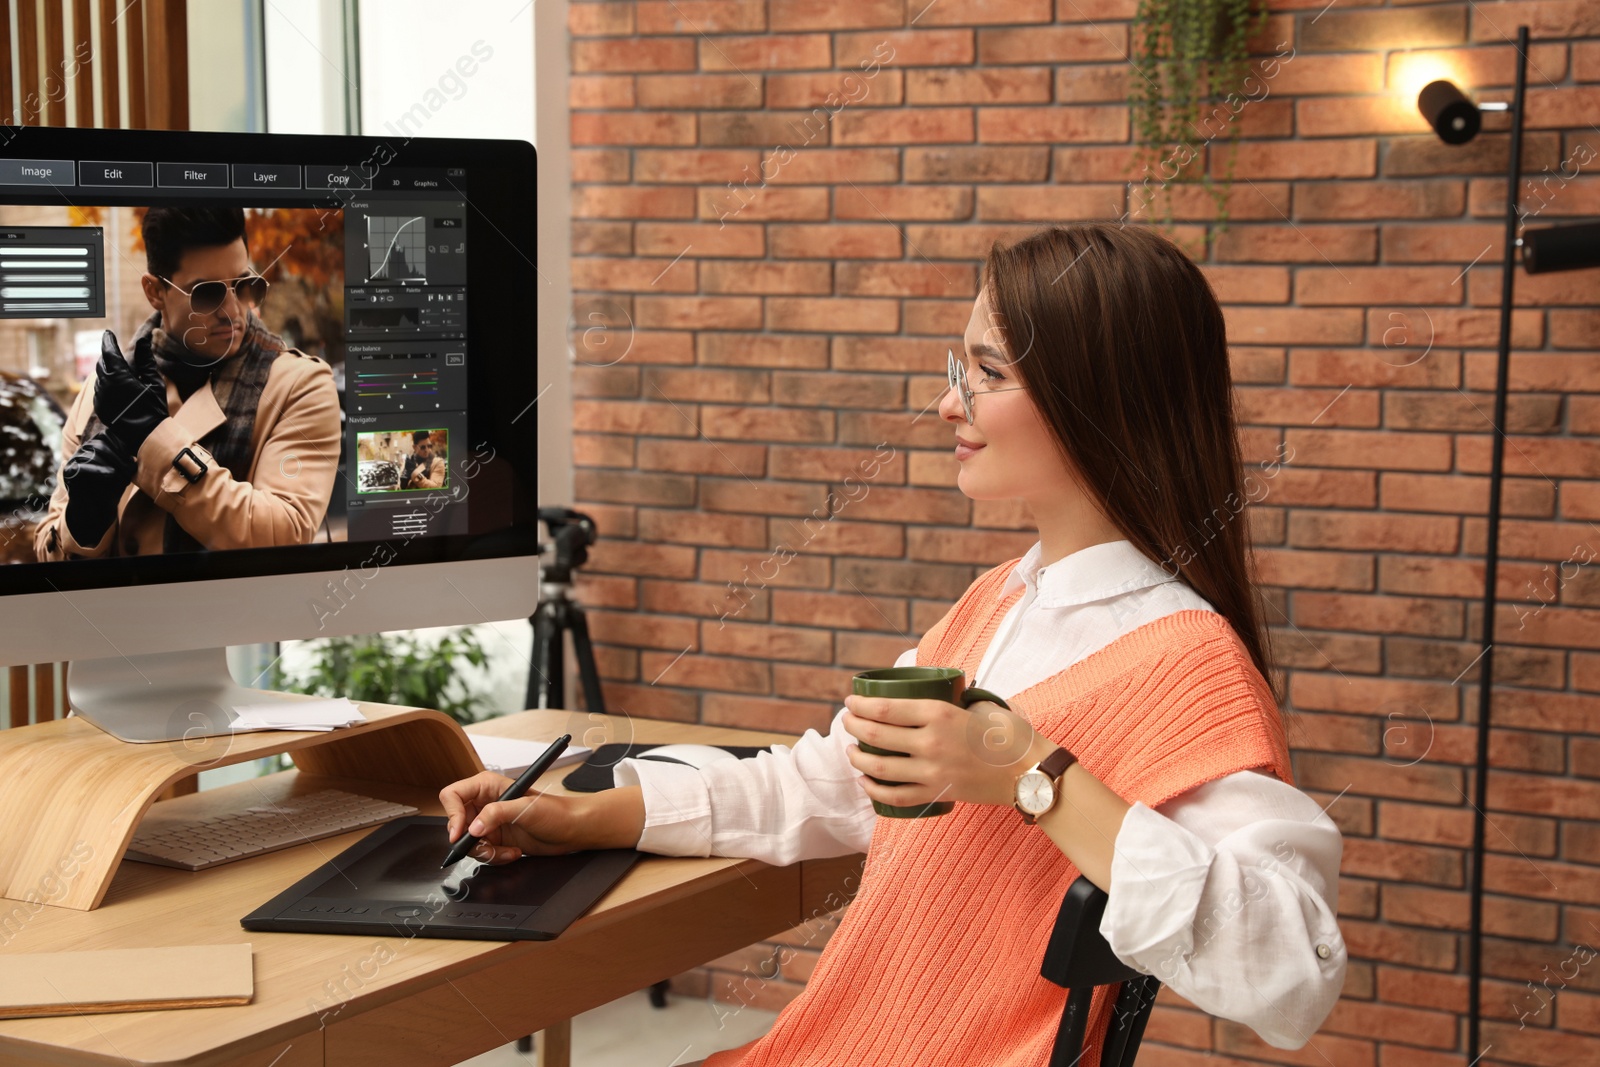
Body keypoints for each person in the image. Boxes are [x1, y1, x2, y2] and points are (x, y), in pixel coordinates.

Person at [440, 223, 1347, 1066]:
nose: (946, 400)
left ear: (1095, 399)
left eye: (987, 372)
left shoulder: (1187, 662)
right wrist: (582, 814)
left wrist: (1033, 774)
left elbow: (1295, 979)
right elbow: (823, 784)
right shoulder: (997, 606)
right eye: (960, 366)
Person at [34, 206, 339, 560]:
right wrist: (85, 523)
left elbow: (283, 535)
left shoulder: (301, 386)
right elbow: (49, 553)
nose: (233, 311)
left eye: (243, 285)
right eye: (207, 294)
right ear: (155, 292)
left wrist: (155, 441)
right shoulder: (101, 392)